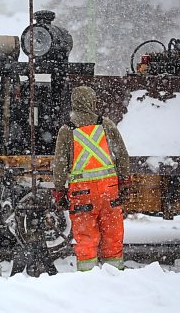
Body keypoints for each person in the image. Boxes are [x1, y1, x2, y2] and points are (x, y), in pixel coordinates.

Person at [52, 85, 130, 271]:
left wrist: (60, 191)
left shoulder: (67, 130)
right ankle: (115, 274)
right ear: (93, 102)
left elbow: (60, 164)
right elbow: (122, 155)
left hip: (82, 193)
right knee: (112, 235)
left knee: (86, 239)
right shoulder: (106, 125)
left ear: (73, 103)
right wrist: (125, 181)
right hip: (109, 191)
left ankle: (88, 278)